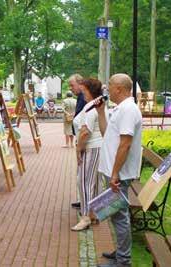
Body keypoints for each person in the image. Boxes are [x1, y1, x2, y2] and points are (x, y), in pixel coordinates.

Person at [95, 74, 142, 267]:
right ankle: (121, 253)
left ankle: (123, 261)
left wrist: (115, 173)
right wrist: (100, 113)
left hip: (119, 175)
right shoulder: (120, 109)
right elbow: (108, 135)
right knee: (115, 215)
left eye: (110, 86)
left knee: (119, 217)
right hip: (114, 172)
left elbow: (125, 144)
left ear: (119, 89)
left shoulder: (129, 110)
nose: (107, 90)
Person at [71, 78, 104, 231]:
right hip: (96, 147)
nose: (82, 93)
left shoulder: (92, 106)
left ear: (90, 90)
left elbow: (85, 132)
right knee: (93, 181)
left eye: (84, 90)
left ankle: (85, 217)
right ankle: (93, 213)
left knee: (84, 182)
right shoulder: (96, 104)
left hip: (91, 147)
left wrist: (79, 149)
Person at [68, 74, 87, 209]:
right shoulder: (81, 97)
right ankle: (83, 200)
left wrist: (79, 145)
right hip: (80, 138)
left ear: (80, 83)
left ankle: (85, 203)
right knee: (81, 173)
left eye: (72, 85)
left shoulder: (84, 98)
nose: (70, 88)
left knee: (83, 173)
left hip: (84, 141)